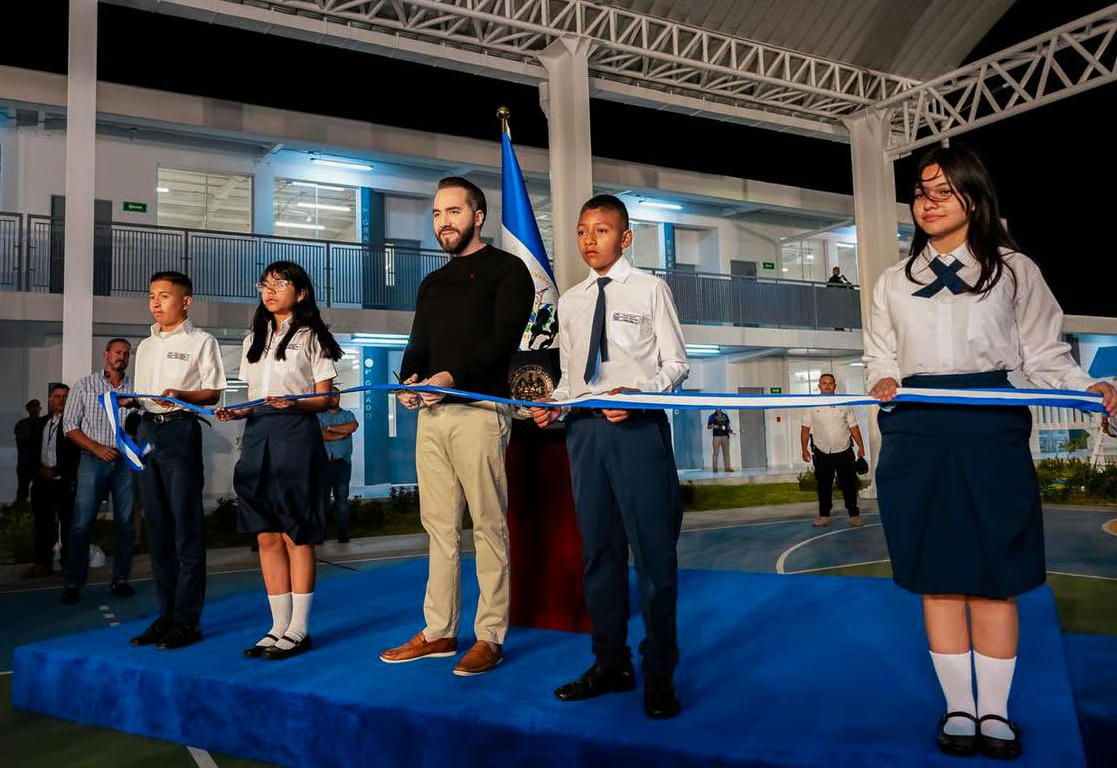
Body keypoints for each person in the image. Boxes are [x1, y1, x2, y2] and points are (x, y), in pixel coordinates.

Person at [864, 144, 1117, 760]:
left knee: (993, 576)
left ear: (973, 198)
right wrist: (884, 378)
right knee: (938, 575)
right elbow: (880, 352)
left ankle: (995, 714)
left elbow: (1043, 353)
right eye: (922, 191)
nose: (928, 201)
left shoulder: (1014, 270)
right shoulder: (893, 280)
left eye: (942, 190)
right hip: (916, 429)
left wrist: (1091, 387)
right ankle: (958, 708)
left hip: (990, 426)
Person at [531, 194, 689, 719]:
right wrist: (551, 407)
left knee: (652, 555)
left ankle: (659, 671)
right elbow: (574, 379)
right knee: (598, 554)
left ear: (624, 238)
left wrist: (640, 394)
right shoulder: (572, 301)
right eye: (581, 231)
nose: (588, 240)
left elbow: (676, 365)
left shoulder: (649, 289)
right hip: (584, 435)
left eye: (600, 231)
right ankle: (610, 662)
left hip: (637, 432)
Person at [379, 176, 534, 677]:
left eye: (453, 212)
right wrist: (410, 380)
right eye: (437, 215)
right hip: (432, 416)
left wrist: (451, 377)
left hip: (480, 412)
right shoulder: (432, 282)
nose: (443, 222)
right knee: (439, 529)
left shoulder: (508, 271)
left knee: (488, 527)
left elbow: (502, 342)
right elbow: (418, 342)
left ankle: (490, 636)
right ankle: (440, 630)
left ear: (478, 215)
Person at [218, 261, 341, 661]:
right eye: (264, 284)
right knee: (266, 533)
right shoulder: (255, 336)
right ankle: (277, 627)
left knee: (295, 532)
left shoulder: (313, 337)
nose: (269, 291)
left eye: (279, 284)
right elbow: (254, 394)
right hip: (258, 434)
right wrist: (237, 412)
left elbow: (326, 398)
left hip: (295, 434)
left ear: (300, 293)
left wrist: (295, 402)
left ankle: (299, 628)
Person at [127, 272, 226, 650]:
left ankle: (187, 621)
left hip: (180, 432)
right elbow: (146, 395)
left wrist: (182, 395)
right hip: (148, 434)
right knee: (159, 531)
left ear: (185, 301)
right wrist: (132, 400)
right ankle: (166, 615)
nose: (155, 302)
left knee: (186, 530)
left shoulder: (202, 341)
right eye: (152, 295)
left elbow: (214, 392)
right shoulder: (146, 345)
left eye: (164, 296)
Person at [60, 339, 137, 604]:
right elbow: (69, 426)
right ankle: (73, 582)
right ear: (106, 355)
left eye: (126, 354)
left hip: (125, 464)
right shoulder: (84, 385)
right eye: (118, 353)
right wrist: (96, 448)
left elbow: (142, 424)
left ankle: (121, 579)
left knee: (126, 523)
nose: (122, 357)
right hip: (92, 461)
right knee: (81, 523)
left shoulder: (135, 389)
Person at [21, 385, 78, 578]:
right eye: (57, 396)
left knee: (68, 523)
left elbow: (76, 455)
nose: (60, 400)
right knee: (42, 524)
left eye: (64, 396)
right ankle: (42, 563)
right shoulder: (39, 424)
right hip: (42, 482)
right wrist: (38, 470)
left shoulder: (75, 424)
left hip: (64, 482)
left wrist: (58, 470)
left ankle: (68, 563)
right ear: (49, 399)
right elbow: (28, 453)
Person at [800, 373, 865, 528]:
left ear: (835, 386)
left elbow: (853, 426)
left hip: (844, 450)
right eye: (824, 383)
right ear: (819, 386)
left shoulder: (845, 403)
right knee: (823, 486)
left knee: (849, 484)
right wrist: (804, 449)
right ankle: (824, 516)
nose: (827, 385)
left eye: (830, 383)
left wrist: (861, 446)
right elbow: (805, 429)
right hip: (822, 452)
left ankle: (854, 516)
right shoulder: (811, 405)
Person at [318, 387, 358, 543]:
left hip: (342, 464)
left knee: (342, 499)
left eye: (336, 395)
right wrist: (342, 434)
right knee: (322, 500)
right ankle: (320, 534)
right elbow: (321, 435)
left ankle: (343, 533)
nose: (333, 398)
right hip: (323, 465)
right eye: (330, 396)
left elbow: (353, 426)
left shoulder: (348, 415)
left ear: (339, 397)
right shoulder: (318, 416)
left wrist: (330, 429)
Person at [14, 398, 42, 503]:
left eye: (37, 408)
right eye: (33, 408)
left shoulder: (42, 423)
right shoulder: (23, 424)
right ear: (28, 409)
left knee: (39, 490)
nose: (35, 410)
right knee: (22, 490)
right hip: (25, 462)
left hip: (38, 462)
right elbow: (22, 439)